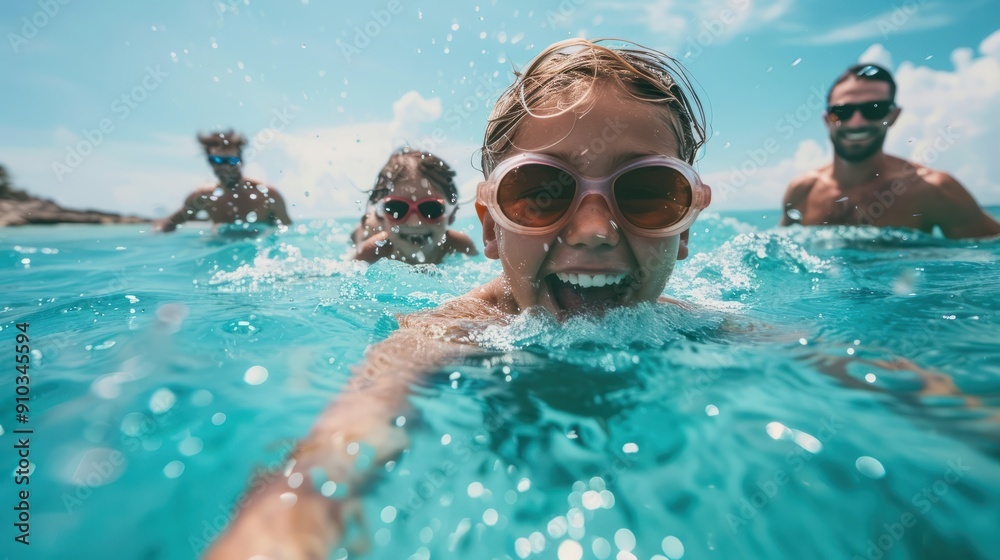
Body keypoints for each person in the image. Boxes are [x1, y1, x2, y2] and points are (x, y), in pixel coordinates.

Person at [206, 38, 712, 559]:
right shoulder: (445, 332)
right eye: (542, 191)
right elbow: (341, 451)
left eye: (649, 192)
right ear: (492, 228)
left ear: (688, 226)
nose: (592, 232)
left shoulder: (696, 322)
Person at [780, 63, 1000, 239]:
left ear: (893, 116)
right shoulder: (802, 191)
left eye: (874, 109)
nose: (857, 122)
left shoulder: (933, 190)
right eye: (842, 111)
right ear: (828, 119)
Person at [352, 148, 478, 263]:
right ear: (383, 214)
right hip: (373, 229)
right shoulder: (374, 249)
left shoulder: (458, 244)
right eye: (397, 208)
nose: (415, 222)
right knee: (367, 228)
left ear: (451, 215)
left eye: (431, 208)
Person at [155, 130, 292, 232]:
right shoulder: (203, 197)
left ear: (241, 161)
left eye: (230, 161)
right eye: (216, 160)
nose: (223, 166)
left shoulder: (268, 196)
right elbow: (168, 224)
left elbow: (289, 232)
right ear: (210, 162)